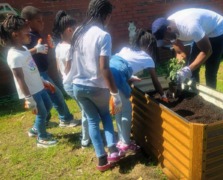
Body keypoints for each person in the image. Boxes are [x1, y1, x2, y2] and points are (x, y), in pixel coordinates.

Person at [68, 0, 124, 171]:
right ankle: (113, 150)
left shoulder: (78, 32)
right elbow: (104, 68)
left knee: (92, 120)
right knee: (106, 116)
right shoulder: (103, 35)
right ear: (106, 15)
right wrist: (115, 94)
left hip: (78, 86)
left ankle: (101, 160)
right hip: (97, 87)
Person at [0, 15, 57, 147]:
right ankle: (42, 138)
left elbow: (29, 63)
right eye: (26, 31)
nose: (29, 33)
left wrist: (43, 81)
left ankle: (35, 129)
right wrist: (28, 98)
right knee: (42, 112)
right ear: (15, 35)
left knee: (48, 106)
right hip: (31, 91)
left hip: (39, 86)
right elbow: (19, 78)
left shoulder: (23, 49)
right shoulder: (13, 56)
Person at [20, 6, 80, 132]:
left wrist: (49, 47)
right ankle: (65, 119)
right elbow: (22, 55)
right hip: (37, 73)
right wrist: (36, 49)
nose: (42, 23)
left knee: (46, 101)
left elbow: (41, 52)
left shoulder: (36, 35)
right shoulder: (27, 37)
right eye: (38, 21)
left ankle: (44, 121)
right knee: (55, 94)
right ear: (27, 22)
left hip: (42, 71)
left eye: (42, 20)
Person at [110, 29, 168, 153]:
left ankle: (121, 138)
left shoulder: (126, 49)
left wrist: (130, 77)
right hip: (118, 77)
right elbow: (155, 81)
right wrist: (163, 95)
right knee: (126, 110)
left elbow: (119, 64)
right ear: (149, 45)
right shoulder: (147, 58)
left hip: (107, 74)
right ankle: (125, 143)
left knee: (119, 109)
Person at [152, 8, 223, 89]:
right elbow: (180, 53)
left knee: (210, 70)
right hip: (201, 30)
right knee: (193, 68)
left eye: (166, 39)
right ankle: (196, 93)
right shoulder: (167, 28)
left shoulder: (191, 27)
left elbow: (207, 51)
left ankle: (212, 97)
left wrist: (188, 70)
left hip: (217, 29)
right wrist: (179, 70)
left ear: (169, 29)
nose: (167, 41)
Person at [52, 10, 90, 148]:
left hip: (66, 83)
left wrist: (65, 76)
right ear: (69, 30)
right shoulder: (70, 48)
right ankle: (86, 138)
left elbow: (59, 68)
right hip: (73, 83)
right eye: (75, 30)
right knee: (86, 111)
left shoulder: (58, 46)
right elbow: (68, 68)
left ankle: (87, 135)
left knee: (86, 110)